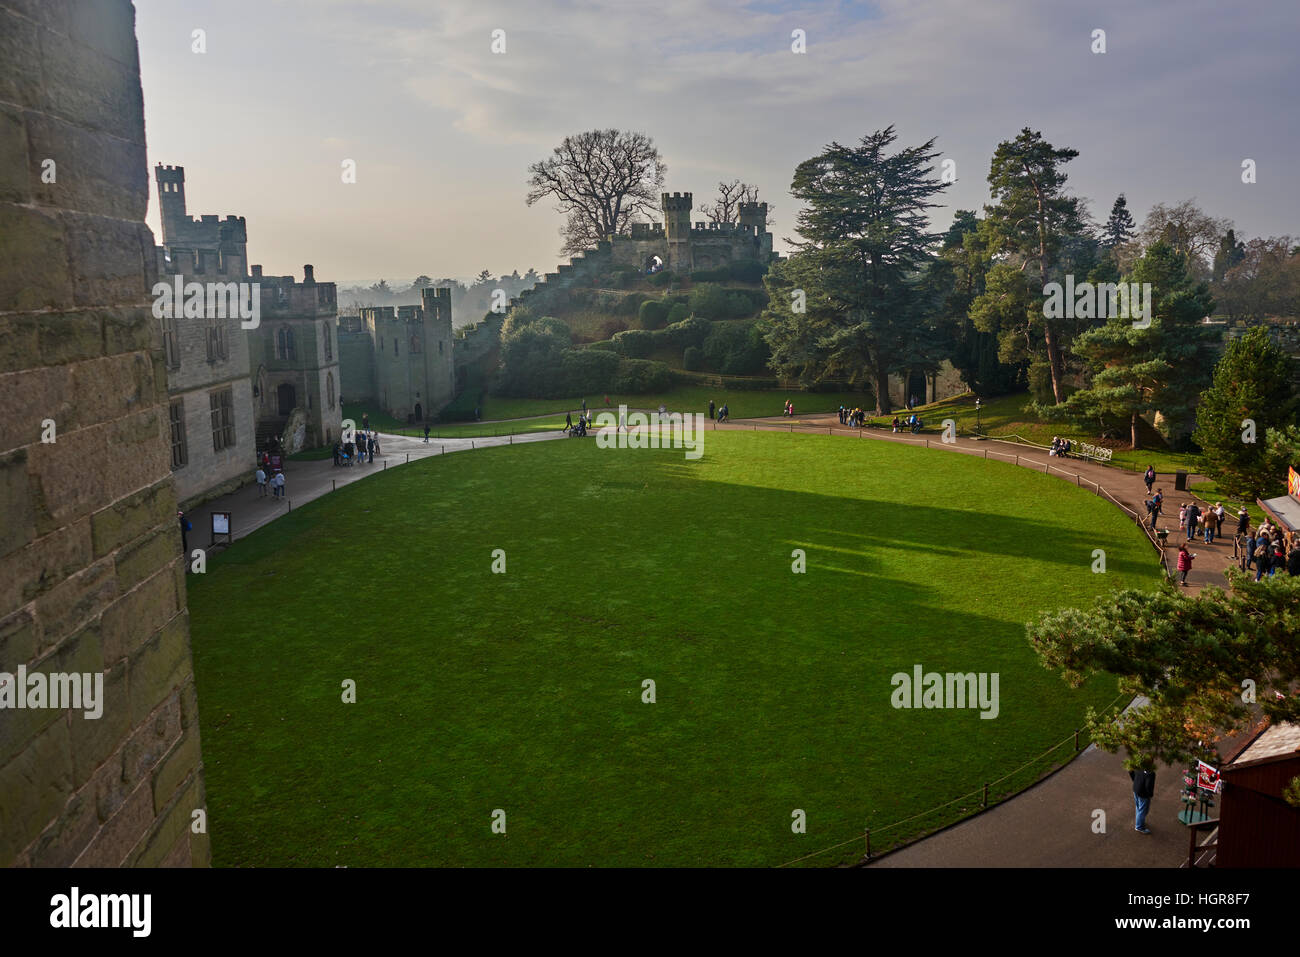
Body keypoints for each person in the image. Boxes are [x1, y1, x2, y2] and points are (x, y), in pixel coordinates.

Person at [1130, 765, 1156, 834]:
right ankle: (1139, 826)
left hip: (1136, 789)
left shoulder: (1139, 766)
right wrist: (1150, 795)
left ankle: (1139, 822)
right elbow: (1148, 786)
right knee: (1143, 811)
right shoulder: (1151, 773)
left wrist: (1135, 781)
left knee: (1138, 807)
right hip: (1144, 794)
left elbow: (1130, 770)